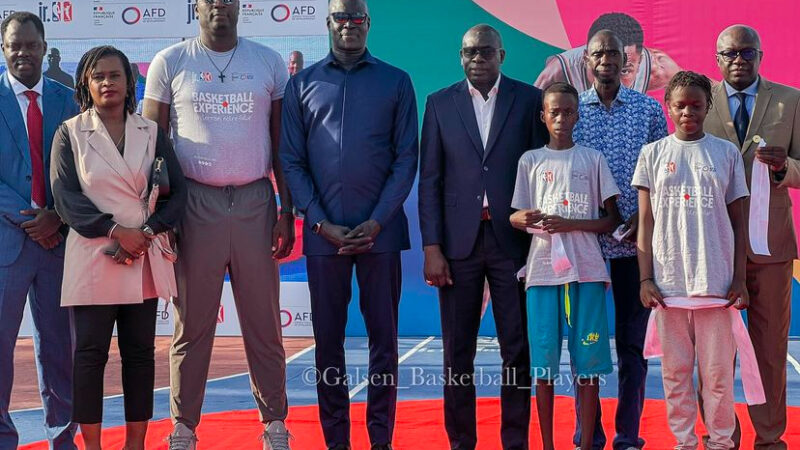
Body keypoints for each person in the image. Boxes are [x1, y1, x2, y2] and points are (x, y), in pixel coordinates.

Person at [142, 0, 296, 448]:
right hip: (195, 201)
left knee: (264, 321)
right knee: (192, 324)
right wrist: (163, 214)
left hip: (254, 200)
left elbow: (281, 145)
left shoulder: (267, 61)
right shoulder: (171, 61)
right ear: (197, 6)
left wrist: (286, 211)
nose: (219, 6)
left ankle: (274, 424)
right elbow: (155, 150)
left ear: (239, 7)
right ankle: (184, 427)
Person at [280, 0, 418, 448]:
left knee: (384, 345)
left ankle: (381, 440)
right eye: (341, 18)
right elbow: (291, 161)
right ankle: (336, 441)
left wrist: (378, 221)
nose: (350, 25)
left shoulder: (396, 81)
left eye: (357, 19)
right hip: (325, 240)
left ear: (369, 24)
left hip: (381, 237)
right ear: (328, 24)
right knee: (328, 347)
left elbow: (405, 159)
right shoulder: (302, 85)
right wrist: (319, 223)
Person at [51, 45, 187, 450]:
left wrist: (145, 232)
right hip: (95, 254)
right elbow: (65, 198)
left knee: (140, 355)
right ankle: (91, 446)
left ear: (130, 83)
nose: (107, 82)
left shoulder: (151, 130)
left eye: (115, 75)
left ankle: (135, 444)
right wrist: (115, 231)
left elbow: (176, 194)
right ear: (86, 85)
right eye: (98, 76)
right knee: (90, 355)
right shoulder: (70, 132)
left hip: (142, 254)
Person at [418, 23, 546, 450]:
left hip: (515, 244)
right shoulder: (439, 104)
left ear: (502, 55)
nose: (478, 58)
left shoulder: (529, 101)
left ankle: (514, 442)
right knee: (458, 352)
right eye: (470, 51)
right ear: (461, 56)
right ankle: (461, 442)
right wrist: (432, 248)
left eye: (486, 51)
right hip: (458, 247)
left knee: (517, 349)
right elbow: (430, 181)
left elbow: (539, 171)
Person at [633, 70, 750, 450]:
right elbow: (646, 221)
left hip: (716, 284)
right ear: (668, 107)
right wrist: (645, 278)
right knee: (676, 372)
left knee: (717, 375)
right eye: (680, 105)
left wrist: (740, 279)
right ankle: (684, 443)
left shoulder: (726, 153)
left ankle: (719, 442)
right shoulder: (652, 154)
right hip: (668, 286)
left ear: (707, 107)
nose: (688, 112)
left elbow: (739, 220)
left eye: (696, 105)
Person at [704, 25, 800, 450]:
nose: (739, 60)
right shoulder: (697, 101)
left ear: (761, 55)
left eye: (747, 52)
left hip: (772, 243)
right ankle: (722, 434)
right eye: (730, 53)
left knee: (769, 348)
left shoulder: (790, 100)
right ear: (717, 59)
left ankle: (769, 438)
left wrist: (783, 169)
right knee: (714, 352)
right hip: (713, 246)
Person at [571, 29, 667, 450]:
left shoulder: (649, 110)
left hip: (634, 246)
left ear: (625, 62)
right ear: (587, 61)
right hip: (585, 247)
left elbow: (665, 174)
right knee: (585, 344)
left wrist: (638, 218)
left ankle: (628, 434)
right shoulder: (572, 112)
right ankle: (587, 432)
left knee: (633, 345)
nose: (607, 59)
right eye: (599, 53)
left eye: (613, 52)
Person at [511, 81, 620, 450]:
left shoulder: (592, 159)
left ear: (578, 114)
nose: (560, 118)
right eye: (553, 112)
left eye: (567, 111)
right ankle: (546, 444)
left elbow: (610, 220)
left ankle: (586, 442)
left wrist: (570, 224)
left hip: (587, 273)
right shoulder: (530, 161)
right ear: (543, 116)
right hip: (542, 274)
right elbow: (516, 216)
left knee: (587, 368)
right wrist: (521, 219)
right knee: (543, 367)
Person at [0, 12, 79, 450]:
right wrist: (35, 219)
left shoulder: (68, 101)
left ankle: (62, 437)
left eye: (31, 45)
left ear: (44, 47)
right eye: (15, 45)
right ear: (3, 48)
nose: (24, 53)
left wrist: (58, 217)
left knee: (58, 350)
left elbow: (82, 174)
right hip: (8, 244)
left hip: (58, 245)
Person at [534, 12, 681, 94]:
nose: (611, 78)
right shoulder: (559, 70)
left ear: (640, 61)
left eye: (624, 70)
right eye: (603, 66)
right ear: (586, 58)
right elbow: (530, 116)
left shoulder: (659, 70)